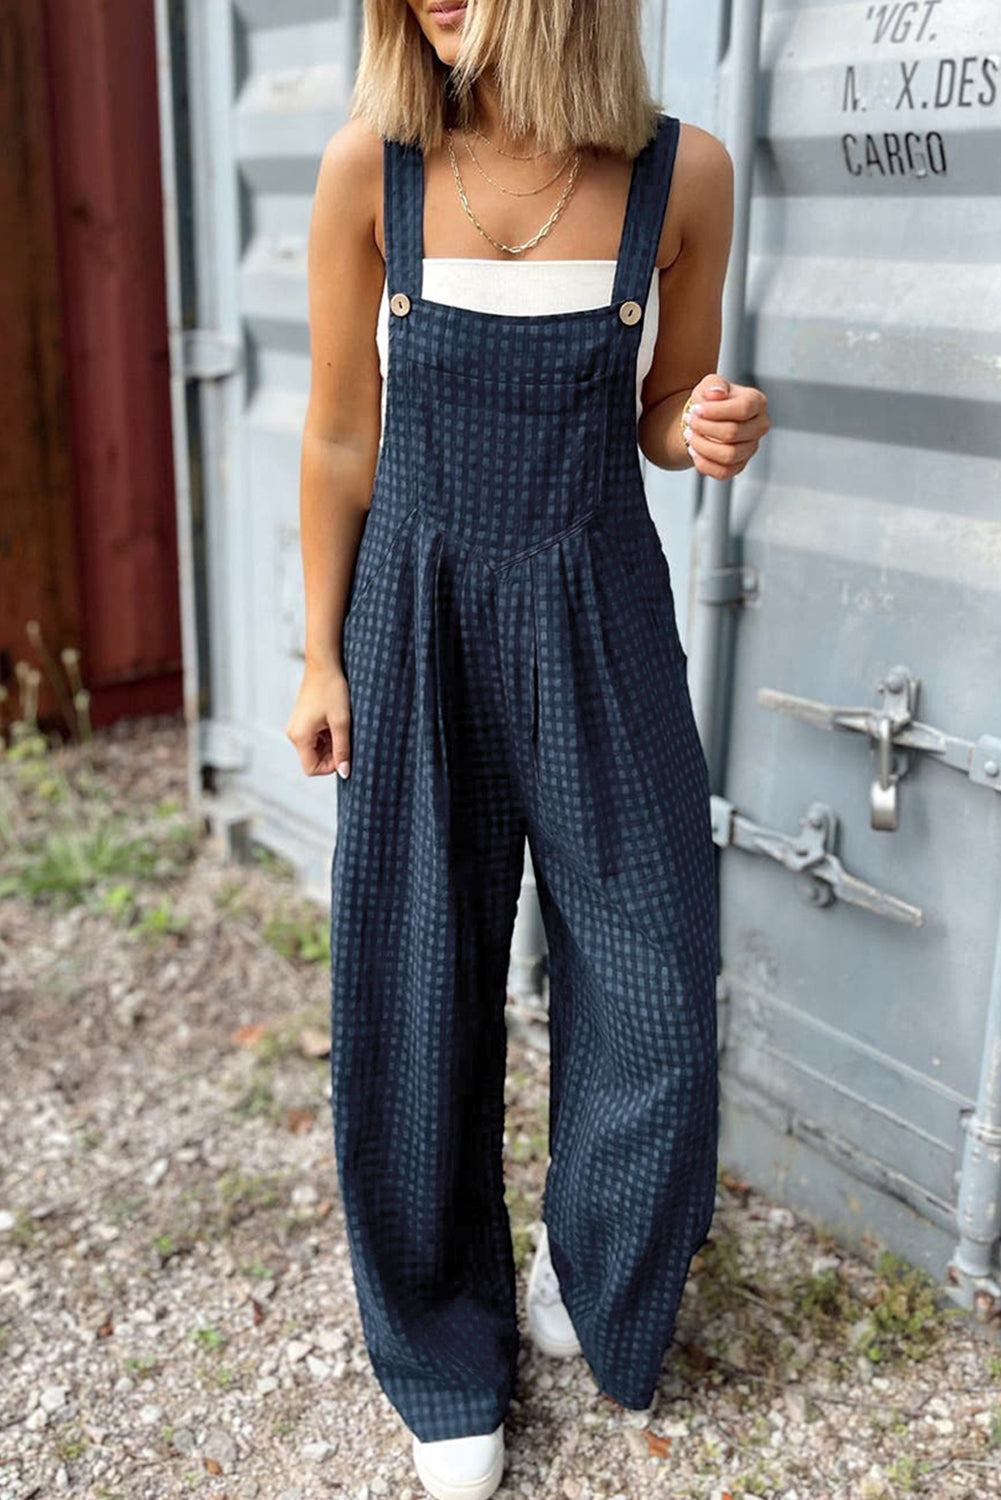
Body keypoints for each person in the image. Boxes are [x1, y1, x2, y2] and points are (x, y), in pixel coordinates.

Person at [286, 3, 770, 1497]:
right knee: (415, 988)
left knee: (653, 987)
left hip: (598, 606)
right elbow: (337, 435)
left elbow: (651, 413)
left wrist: (699, 426)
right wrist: (317, 651)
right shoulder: (376, 164)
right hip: (413, 610)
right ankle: (441, 1356)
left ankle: (590, 1267)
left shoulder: (682, 175)